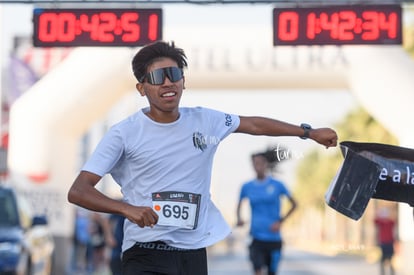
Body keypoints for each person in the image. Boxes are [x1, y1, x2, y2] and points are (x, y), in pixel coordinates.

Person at [67, 40, 338, 275]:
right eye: (158, 77)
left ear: (184, 81)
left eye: (174, 74)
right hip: (144, 252)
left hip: (193, 253)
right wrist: (128, 209)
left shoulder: (206, 120)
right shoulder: (124, 134)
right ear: (142, 89)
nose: (168, 83)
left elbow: (254, 125)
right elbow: (79, 191)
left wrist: (309, 132)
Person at [236, 150, 297, 275]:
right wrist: (239, 218)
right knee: (258, 271)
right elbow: (239, 205)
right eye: (254, 163)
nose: (257, 166)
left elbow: (294, 204)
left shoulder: (278, 185)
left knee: (272, 272)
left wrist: (280, 221)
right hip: (256, 238)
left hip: (274, 239)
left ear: (266, 164)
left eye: (260, 163)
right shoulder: (246, 187)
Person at [374, 207, 397, 275]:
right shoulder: (381, 222)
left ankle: (392, 273)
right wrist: (379, 214)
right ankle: (382, 273)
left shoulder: (390, 222)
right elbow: (375, 220)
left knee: (390, 259)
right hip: (383, 243)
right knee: (382, 260)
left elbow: (394, 221)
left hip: (389, 242)